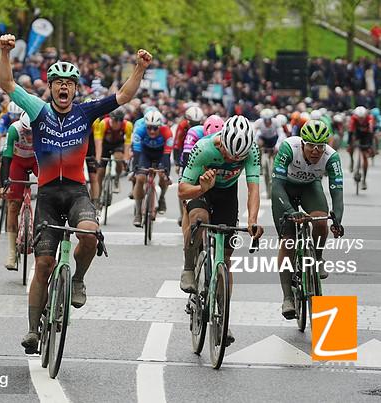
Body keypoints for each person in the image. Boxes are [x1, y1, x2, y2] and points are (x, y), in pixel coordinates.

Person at [0, 33, 152, 353]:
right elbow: (8, 84)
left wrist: (139, 68)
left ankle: (78, 278)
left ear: (75, 88)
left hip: (76, 191)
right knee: (43, 265)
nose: (64, 87)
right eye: (59, 83)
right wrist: (4, 52)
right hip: (48, 195)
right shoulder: (38, 110)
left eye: (69, 83)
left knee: (90, 235)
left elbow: (124, 95)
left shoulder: (85, 112)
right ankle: (32, 330)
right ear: (51, 87)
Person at [178, 115, 264, 345]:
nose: (230, 159)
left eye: (237, 158)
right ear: (221, 141)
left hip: (227, 194)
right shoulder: (203, 148)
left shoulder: (252, 151)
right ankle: (189, 267)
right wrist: (201, 187)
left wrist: (252, 220)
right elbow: (182, 191)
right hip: (201, 189)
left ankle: (223, 316)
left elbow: (254, 189)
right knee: (199, 218)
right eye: (227, 153)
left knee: (225, 258)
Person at [271, 120, 344, 319]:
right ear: (303, 143)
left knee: (321, 221)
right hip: (284, 189)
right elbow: (276, 186)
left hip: (310, 188)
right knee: (288, 241)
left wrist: (337, 219)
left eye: (320, 146)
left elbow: (337, 192)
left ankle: (317, 258)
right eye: (311, 145)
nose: (316, 151)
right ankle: (287, 297)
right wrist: (289, 210)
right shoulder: (289, 147)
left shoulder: (332, 157)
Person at [0, 111, 39, 269]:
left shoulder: (43, 126)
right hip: (18, 162)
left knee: (49, 190)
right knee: (13, 204)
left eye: (31, 133)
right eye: (26, 132)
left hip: (36, 159)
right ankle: (11, 252)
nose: (29, 136)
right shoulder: (14, 129)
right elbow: (6, 157)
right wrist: (5, 184)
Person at [132, 110, 173, 226]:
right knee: (140, 178)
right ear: (145, 126)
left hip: (161, 155)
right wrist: (135, 169)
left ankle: (162, 198)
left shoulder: (167, 132)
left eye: (155, 128)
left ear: (160, 126)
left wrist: (166, 173)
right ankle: (138, 213)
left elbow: (167, 155)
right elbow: (136, 153)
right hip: (145, 154)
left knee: (163, 176)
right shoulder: (139, 131)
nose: (152, 131)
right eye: (149, 128)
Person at [94, 107, 132, 194]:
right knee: (100, 171)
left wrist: (125, 158)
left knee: (119, 158)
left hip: (118, 144)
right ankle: (98, 194)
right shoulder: (103, 123)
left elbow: (127, 143)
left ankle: (117, 179)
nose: (118, 123)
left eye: (120, 120)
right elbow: (99, 141)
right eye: (116, 120)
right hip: (105, 145)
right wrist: (98, 158)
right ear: (111, 118)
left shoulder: (128, 125)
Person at [348, 106, 374, 189]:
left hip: (366, 136)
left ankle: (364, 180)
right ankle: (351, 160)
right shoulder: (353, 118)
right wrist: (350, 144)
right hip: (357, 133)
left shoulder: (369, 119)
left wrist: (369, 145)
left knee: (365, 156)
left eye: (362, 118)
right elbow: (350, 132)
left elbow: (370, 133)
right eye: (359, 118)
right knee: (351, 146)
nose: (361, 120)